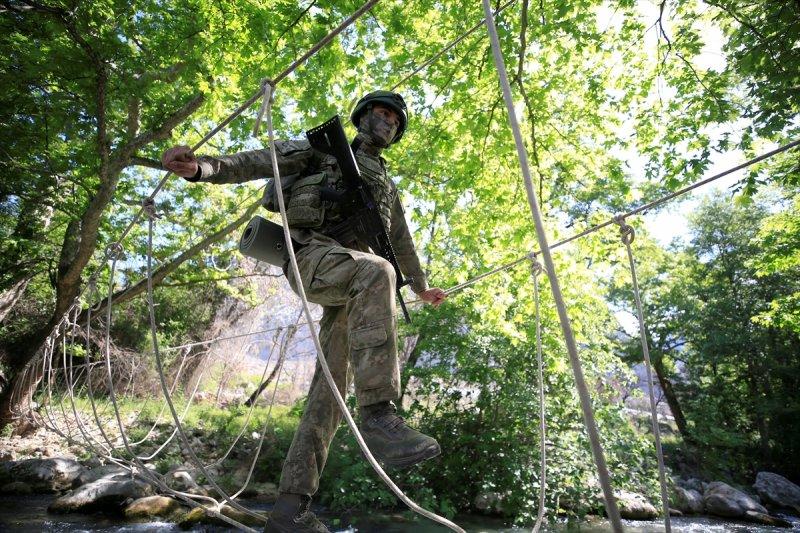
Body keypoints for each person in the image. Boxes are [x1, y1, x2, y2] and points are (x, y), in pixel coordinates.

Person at [162, 90, 447, 533]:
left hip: (352, 280)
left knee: (328, 393)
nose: (388, 121)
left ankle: (290, 509)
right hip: (311, 255)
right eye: (381, 112)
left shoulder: (387, 186)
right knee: (377, 271)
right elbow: (262, 161)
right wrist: (202, 168)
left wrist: (422, 287)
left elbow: (401, 241)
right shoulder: (323, 151)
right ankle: (379, 416)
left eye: (395, 119)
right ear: (362, 116)